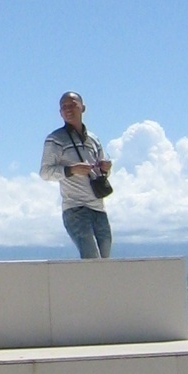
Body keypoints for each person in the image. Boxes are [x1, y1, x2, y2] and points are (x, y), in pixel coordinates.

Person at [40, 91, 113, 259]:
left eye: (72, 105)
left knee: (106, 260)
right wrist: (70, 170)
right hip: (75, 209)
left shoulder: (93, 139)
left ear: (83, 108)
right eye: (64, 107)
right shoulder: (55, 139)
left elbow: (101, 172)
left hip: (98, 208)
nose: (68, 109)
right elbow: (45, 173)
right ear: (60, 113)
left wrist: (105, 168)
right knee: (91, 258)